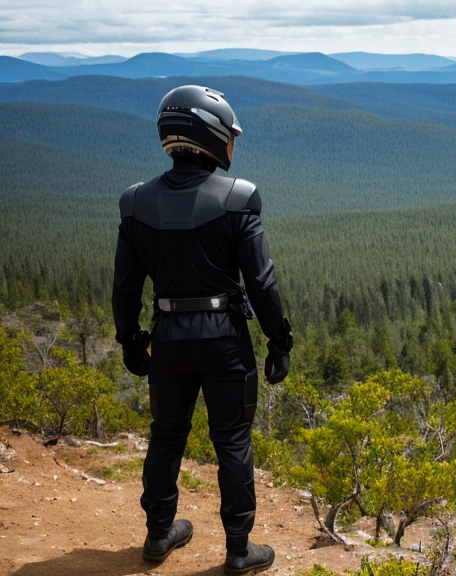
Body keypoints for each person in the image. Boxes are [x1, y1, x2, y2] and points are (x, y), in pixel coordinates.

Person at [112, 85, 292, 574]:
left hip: (167, 334)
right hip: (224, 340)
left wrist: (129, 339)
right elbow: (262, 281)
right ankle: (238, 550)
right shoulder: (239, 199)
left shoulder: (134, 204)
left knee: (166, 436)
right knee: (231, 440)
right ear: (211, 135)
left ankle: (158, 535)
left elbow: (125, 286)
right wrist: (279, 340)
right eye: (229, 134)